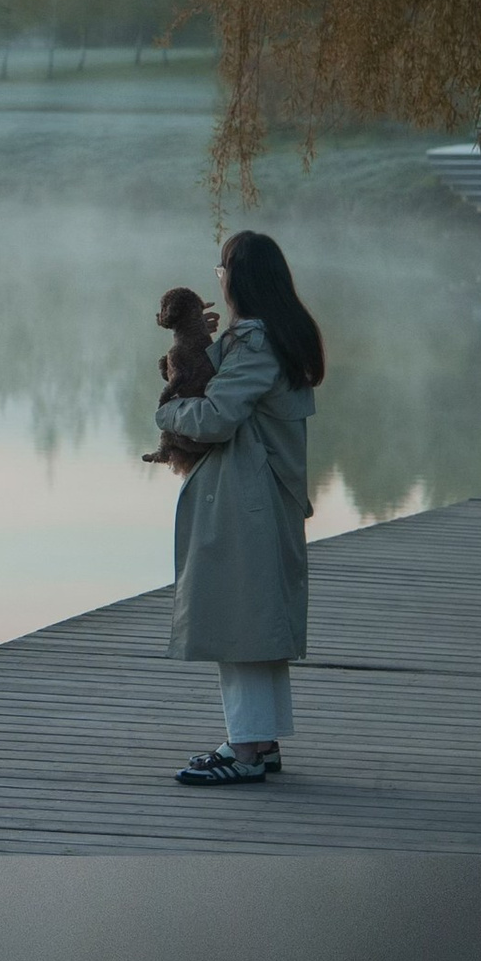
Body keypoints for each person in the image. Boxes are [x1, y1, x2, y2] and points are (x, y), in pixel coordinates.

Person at [156, 230, 326, 788]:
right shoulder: (274, 337)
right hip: (260, 496)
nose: (219, 279)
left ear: (240, 280)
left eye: (223, 269)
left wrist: (169, 414)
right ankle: (262, 739)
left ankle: (246, 748)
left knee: (241, 624)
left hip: (247, 500)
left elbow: (216, 417)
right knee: (254, 620)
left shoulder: (255, 345)